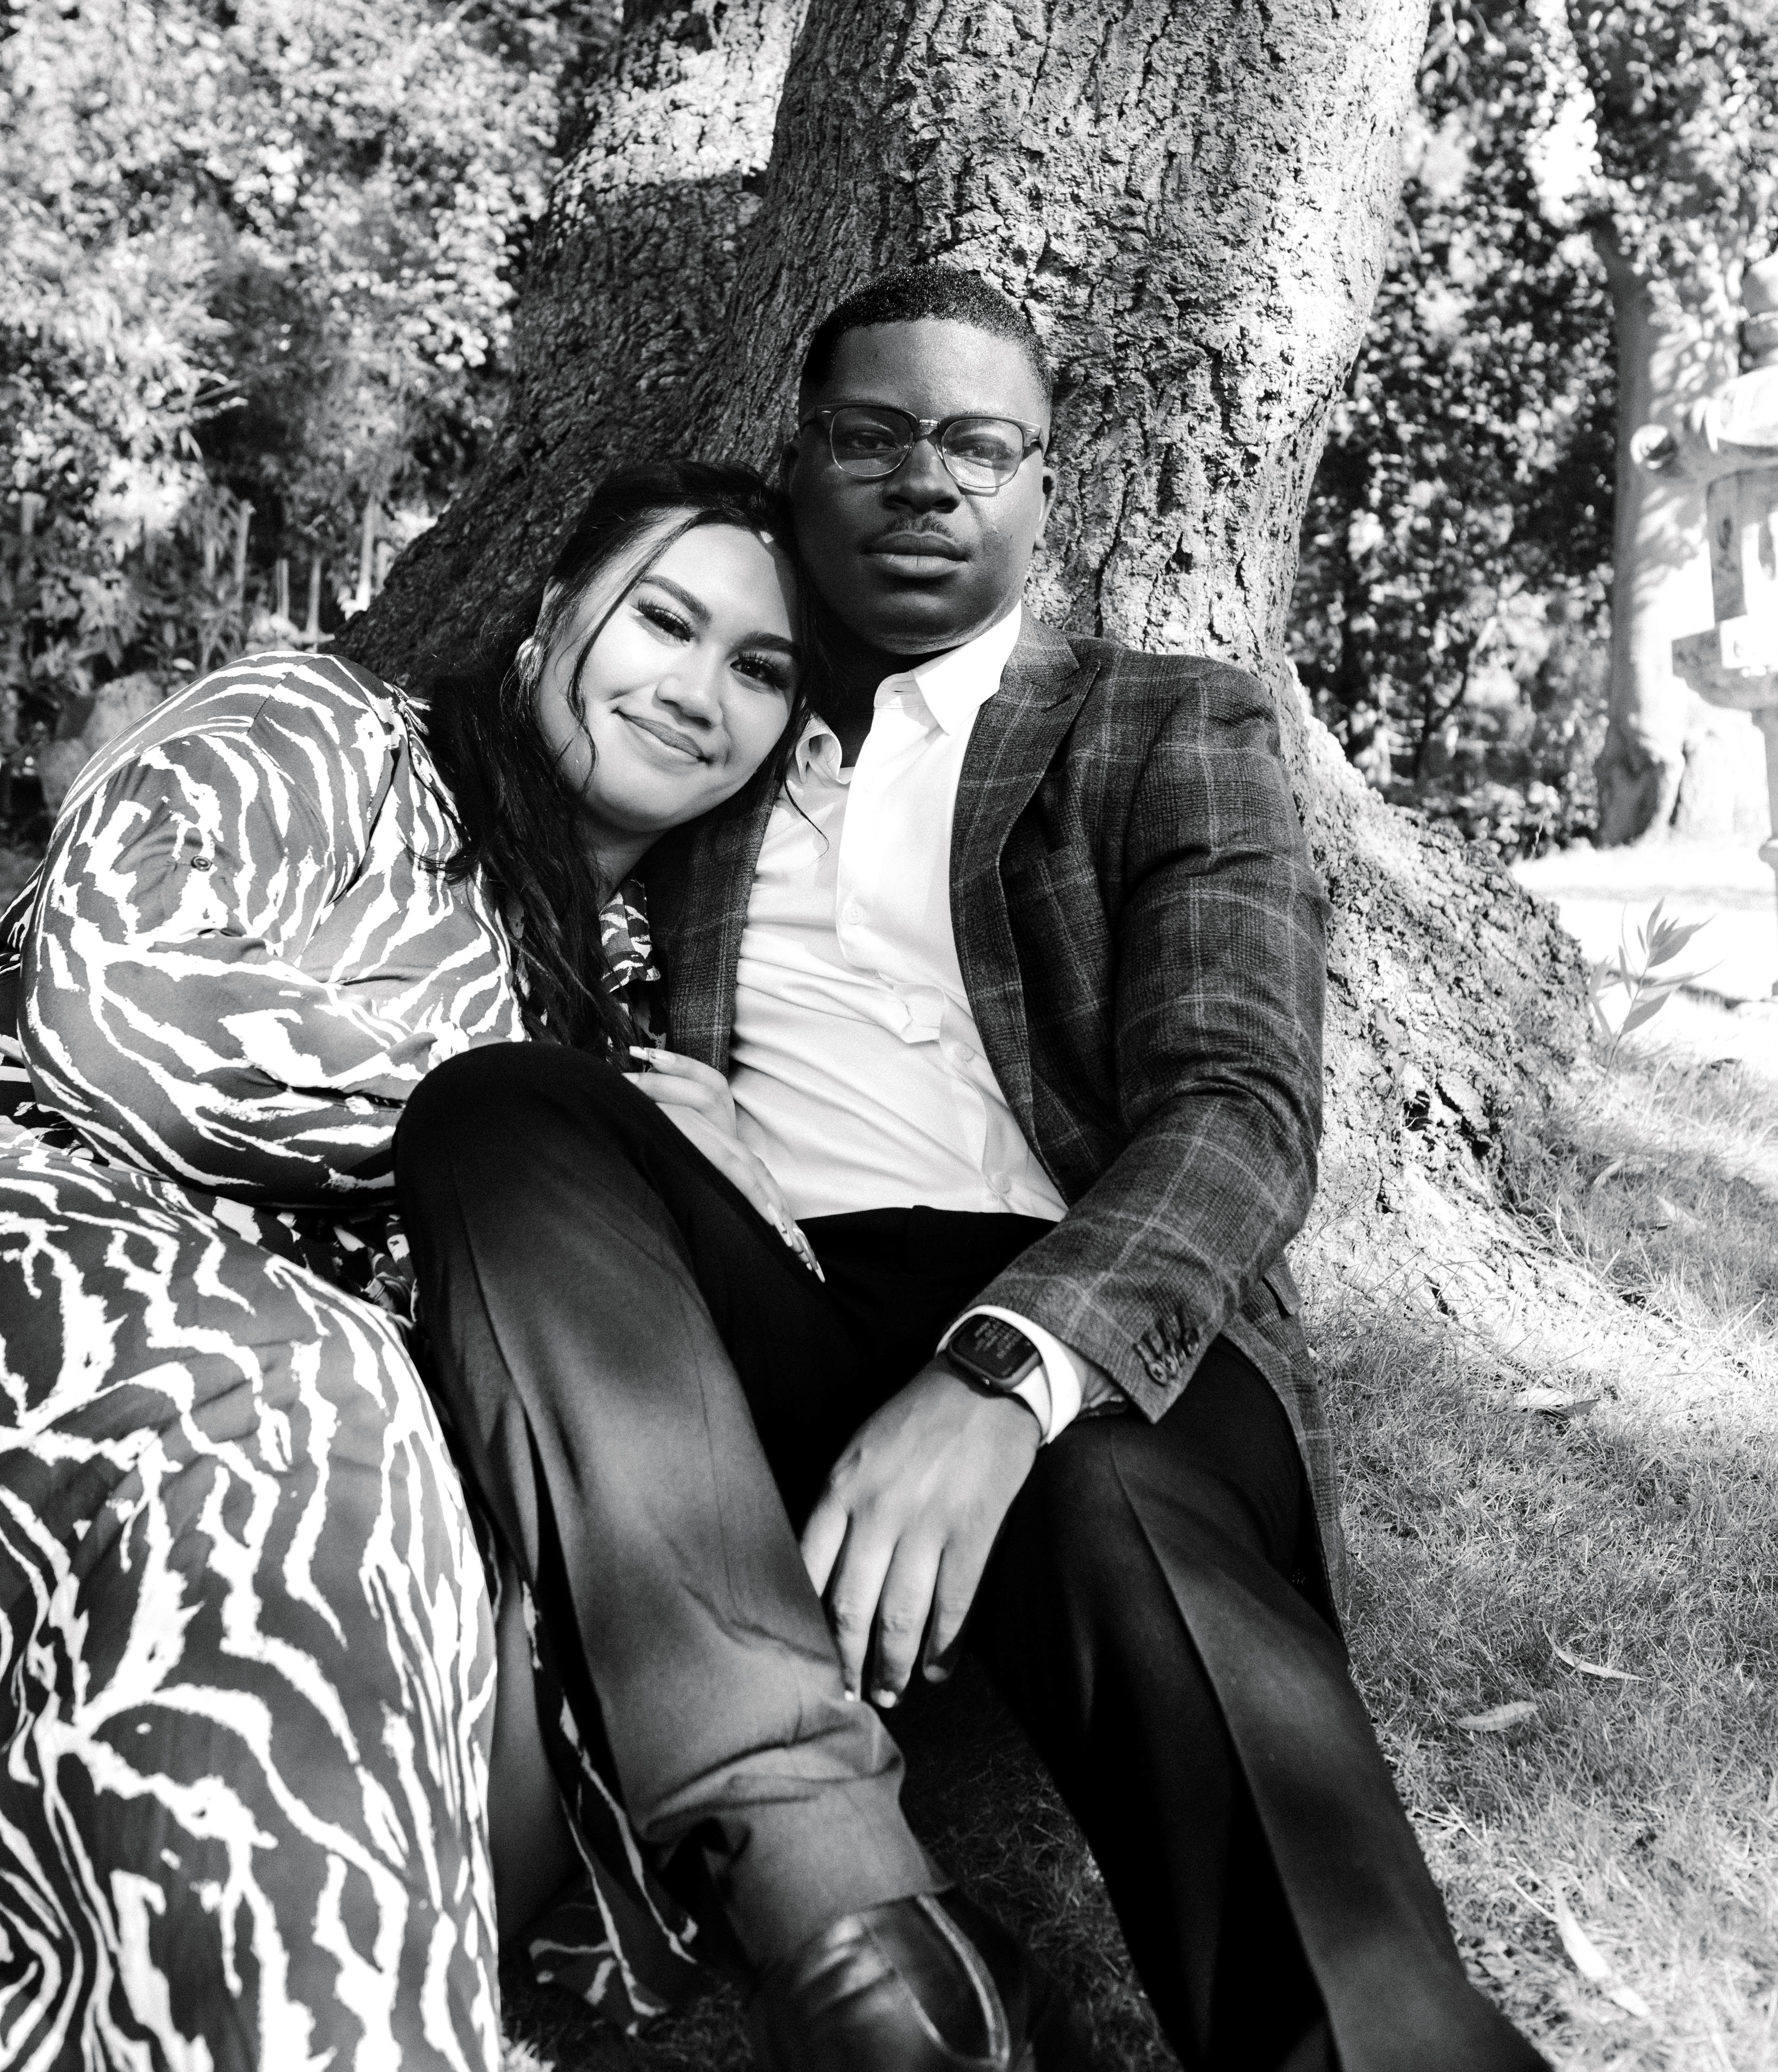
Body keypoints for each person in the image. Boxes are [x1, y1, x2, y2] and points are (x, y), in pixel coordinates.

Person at [396, 270, 1550, 2072]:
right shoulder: (723, 741)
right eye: (872, 435)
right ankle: (853, 1922)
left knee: (1112, 1506)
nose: (926, 479)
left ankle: (1378, 2044)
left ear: (1043, 488)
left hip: (1097, 1329)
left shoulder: (1167, 724)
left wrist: (1002, 1376)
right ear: (800, 464)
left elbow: (1240, 1107)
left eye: (979, 445)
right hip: (776, 1306)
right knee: (499, 1114)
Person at [0, 463, 810, 2070]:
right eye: (664, 620)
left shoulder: (646, 1014)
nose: (697, 690)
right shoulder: (330, 738)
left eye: (761, 669)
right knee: (314, 1405)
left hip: (381, 1463)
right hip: (79, 1254)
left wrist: (715, 1187)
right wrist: (515, 1128)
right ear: (549, 619)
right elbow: (110, 1001)